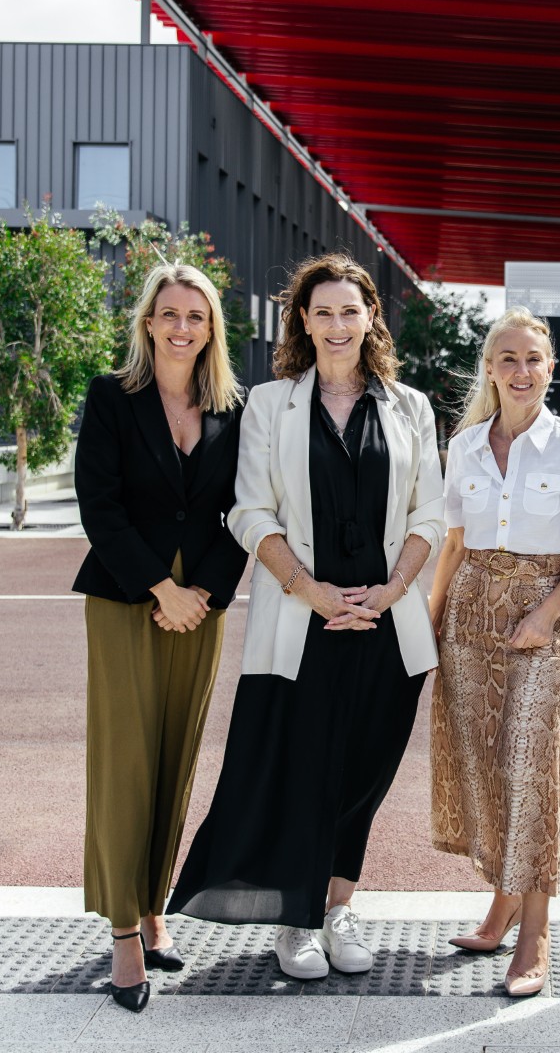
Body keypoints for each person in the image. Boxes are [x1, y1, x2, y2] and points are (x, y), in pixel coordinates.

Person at [167, 252, 443, 983]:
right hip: (302, 619)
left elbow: (432, 514)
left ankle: (337, 908)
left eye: (349, 310)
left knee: (363, 773)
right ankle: (294, 921)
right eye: (321, 311)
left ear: (370, 318)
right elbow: (249, 510)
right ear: (303, 321)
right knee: (300, 769)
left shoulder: (411, 407)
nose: (337, 323)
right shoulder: (269, 402)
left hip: (387, 621)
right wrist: (309, 589)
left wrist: (387, 593)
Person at [72, 262, 249, 1013]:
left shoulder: (231, 407)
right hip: (127, 597)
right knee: (127, 761)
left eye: (197, 317)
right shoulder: (113, 397)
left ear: (212, 329)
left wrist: (202, 592)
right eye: (170, 314)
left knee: (176, 757)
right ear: (148, 322)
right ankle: (120, 930)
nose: (183, 327)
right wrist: (161, 587)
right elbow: (98, 504)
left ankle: (153, 907)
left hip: (200, 605)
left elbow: (245, 509)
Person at [428, 308, 560, 997]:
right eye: (508, 358)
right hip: (468, 621)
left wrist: (545, 615)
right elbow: (452, 545)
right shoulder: (466, 445)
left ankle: (534, 934)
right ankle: (502, 902)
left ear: (550, 367)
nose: (521, 371)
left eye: (533, 358)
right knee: (484, 769)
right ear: (490, 368)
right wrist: (431, 622)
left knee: (533, 771)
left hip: (544, 615)